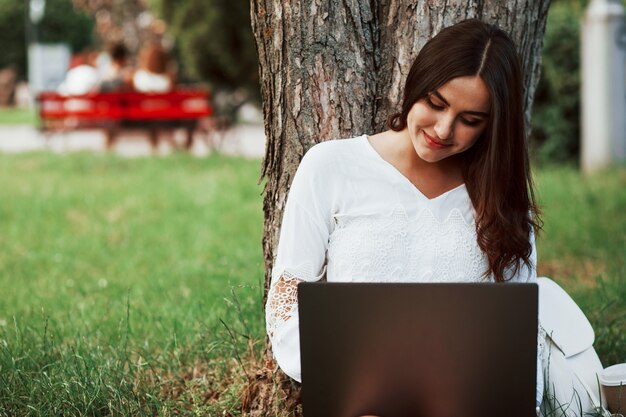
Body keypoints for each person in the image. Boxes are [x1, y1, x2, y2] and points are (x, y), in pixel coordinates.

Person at [265, 18, 552, 413]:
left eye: (470, 120)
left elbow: (520, 333)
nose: (444, 129)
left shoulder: (500, 194)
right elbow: (286, 296)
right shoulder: (331, 165)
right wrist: (345, 384)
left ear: (492, 126)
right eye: (435, 104)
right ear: (415, 85)